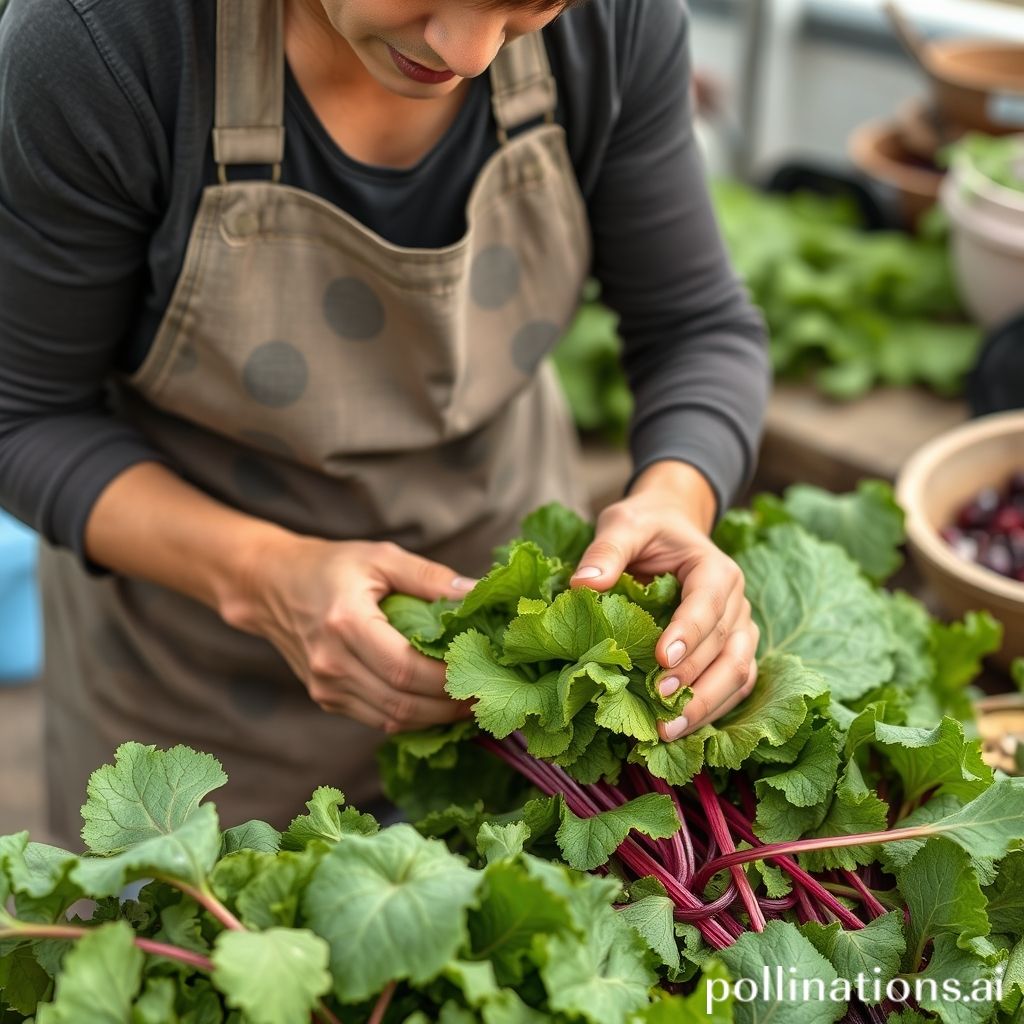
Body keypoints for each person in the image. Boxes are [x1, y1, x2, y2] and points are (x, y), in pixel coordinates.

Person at [0, 0, 770, 848]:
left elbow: (696, 326)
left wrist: (677, 499)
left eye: (533, 5)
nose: (471, 54)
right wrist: (262, 575)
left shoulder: (614, 23)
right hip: (196, 698)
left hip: (515, 692)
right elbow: (24, 414)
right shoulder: (104, 42)